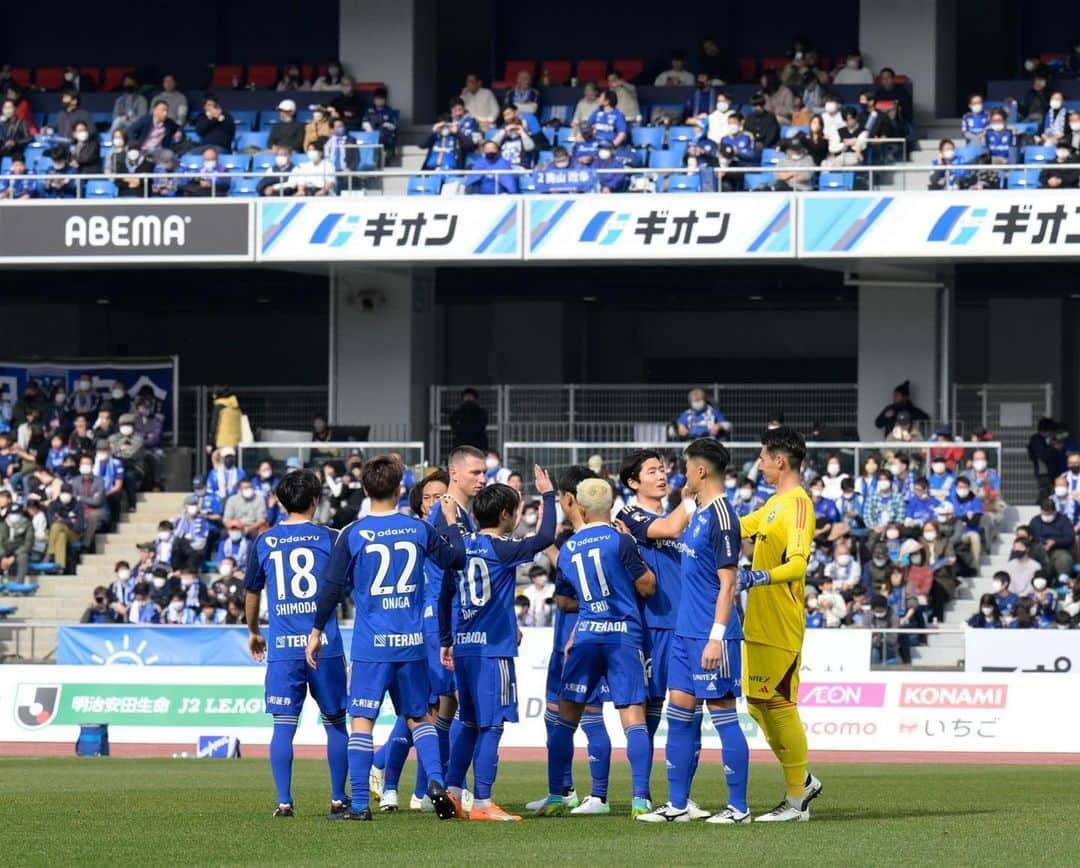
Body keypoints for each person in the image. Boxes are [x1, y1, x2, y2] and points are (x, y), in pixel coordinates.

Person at [306, 455, 465, 822]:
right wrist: (453, 524)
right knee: (421, 717)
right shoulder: (419, 530)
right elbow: (455, 559)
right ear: (399, 490)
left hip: (371, 644)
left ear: (364, 489)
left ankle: (360, 803)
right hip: (410, 642)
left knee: (362, 719)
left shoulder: (353, 533)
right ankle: (437, 782)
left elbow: (331, 589)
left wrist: (316, 631)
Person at [635, 439, 749, 824]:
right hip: (684, 635)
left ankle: (738, 808)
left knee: (723, 716)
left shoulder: (722, 516)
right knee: (679, 715)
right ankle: (678, 804)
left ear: (701, 471)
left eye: (686, 466)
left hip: (710, 636)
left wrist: (717, 637)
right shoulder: (698, 512)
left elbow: (728, 584)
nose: (681, 474)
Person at [439, 467, 556, 821]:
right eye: (516, 510)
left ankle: (454, 792)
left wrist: (447, 638)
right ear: (505, 515)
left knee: (469, 722)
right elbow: (546, 534)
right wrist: (548, 495)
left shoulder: (460, 547)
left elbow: (445, 595)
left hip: (465, 647)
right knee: (491, 726)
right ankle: (484, 802)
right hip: (493, 650)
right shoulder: (503, 549)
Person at [536, 478, 656, 819]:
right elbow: (647, 586)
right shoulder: (620, 541)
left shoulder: (570, 548)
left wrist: (591, 601)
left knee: (566, 719)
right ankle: (639, 800)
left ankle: (558, 795)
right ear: (612, 505)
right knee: (633, 720)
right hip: (622, 636)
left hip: (586, 635)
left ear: (582, 509)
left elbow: (562, 600)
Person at [245, 469, 349, 819]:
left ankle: (284, 802)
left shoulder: (264, 540)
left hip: (284, 648)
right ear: (315, 501)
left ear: (280, 501)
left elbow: (251, 590)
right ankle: (337, 799)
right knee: (335, 722)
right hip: (325, 645)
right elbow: (344, 586)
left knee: (283, 727)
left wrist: (253, 630)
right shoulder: (330, 537)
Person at [735, 427, 822, 821]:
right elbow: (737, 527)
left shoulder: (799, 505)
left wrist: (760, 577)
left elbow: (800, 563)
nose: (760, 464)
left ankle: (796, 799)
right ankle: (800, 779)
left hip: (781, 624)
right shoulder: (773, 503)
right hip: (757, 622)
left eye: (763, 457)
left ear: (780, 461)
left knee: (780, 703)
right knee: (757, 705)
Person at [617, 450, 704, 816]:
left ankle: (681, 797)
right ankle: (642, 795)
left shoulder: (679, 517)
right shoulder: (629, 515)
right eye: (651, 471)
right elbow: (667, 529)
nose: (661, 475)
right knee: (651, 709)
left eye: (663, 469)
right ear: (634, 482)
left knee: (692, 711)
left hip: (690, 624)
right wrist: (691, 500)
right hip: (655, 624)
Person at [1030, 497, 1076, 578]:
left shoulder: (1063, 520)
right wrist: (1044, 544)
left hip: (1059, 549)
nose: (1047, 516)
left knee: (1064, 559)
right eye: (1045, 513)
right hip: (1039, 548)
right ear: (1041, 511)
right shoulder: (1035, 521)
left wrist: (1055, 542)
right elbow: (1034, 536)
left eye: (1050, 514)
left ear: (1055, 511)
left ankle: (1062, 581)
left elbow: (1070, 537)